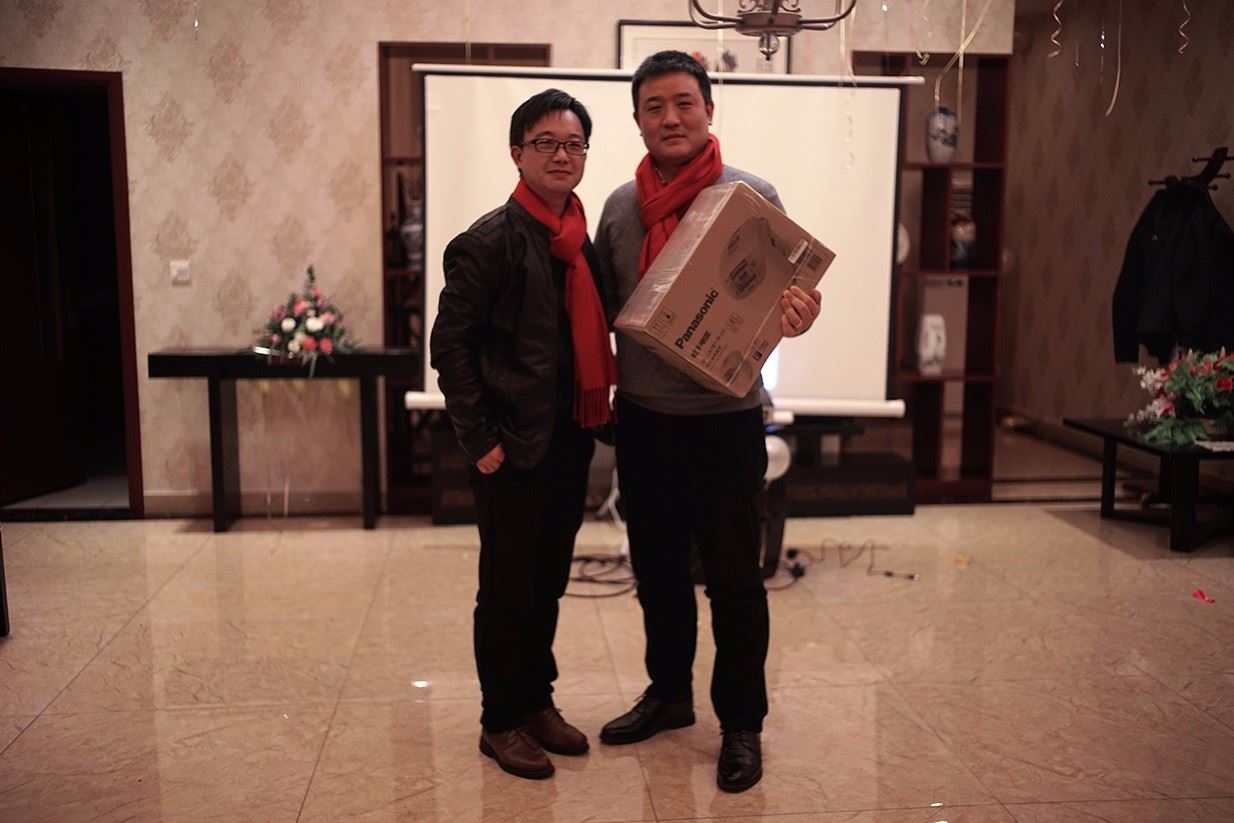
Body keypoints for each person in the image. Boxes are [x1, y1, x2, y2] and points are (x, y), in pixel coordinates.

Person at [593, 51, 822, 793]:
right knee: (657, 572)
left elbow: (786, 299)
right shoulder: (619, 210)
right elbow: (603, 309)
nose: (670, 118)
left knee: (733, 580)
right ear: (637, 120)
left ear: (709, 110)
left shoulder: (750, 197)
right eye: (654, 106)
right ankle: (669, 693)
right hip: (645, 420)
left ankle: (742, 722)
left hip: (726, 421)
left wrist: (800, 314)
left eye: (684, 102)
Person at [429, 88, 615, 781]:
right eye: (546, 143)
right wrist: (480, 438)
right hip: (510, 445)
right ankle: (499, 720)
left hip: (568, 438)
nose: (562, 155)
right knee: (507, 589)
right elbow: (450, 347)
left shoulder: (578, 239)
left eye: (573, 144)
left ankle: (537, 701)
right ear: (517, 154)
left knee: (548, 582)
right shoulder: (487, 242)